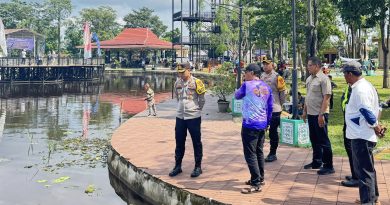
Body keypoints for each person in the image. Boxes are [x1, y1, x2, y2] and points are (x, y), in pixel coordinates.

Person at [343, 61, 386, 204]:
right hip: (361, 133)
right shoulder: (364, 85)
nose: (344, 77)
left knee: (364, 171)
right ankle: (373, 198)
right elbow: (376, 106)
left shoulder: (360, 89)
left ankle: (368, 202)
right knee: (368, 169)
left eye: (344, 74)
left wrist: (376, 127)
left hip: (361, 135)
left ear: (350, 74)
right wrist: (376, 126)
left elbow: (367, 112)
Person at [235, 63, 273, 194]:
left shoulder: (246, 85)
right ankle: (260, 178)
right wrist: (267, 122)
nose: (245, 75)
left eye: (246, 72)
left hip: (250, 124)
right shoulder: (267, 87)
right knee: (259, 152)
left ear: (251, 73)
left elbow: (237, 96)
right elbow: (270, 107)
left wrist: (241, 83)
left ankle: (256, 183)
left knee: (250, 154)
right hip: (262, 123)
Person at [169, 63, 206, 178]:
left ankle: (198, 167)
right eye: (179, 72)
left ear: (189, 70)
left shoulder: (197, 82)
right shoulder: (177, 82)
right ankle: (177, 166)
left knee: (196, 142)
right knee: (179, 142)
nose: (181, 74)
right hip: (180, 117)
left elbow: (202, 100)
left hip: (193, 116)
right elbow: (177, 97)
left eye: (183, 72)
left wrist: (196, 109)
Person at [302, 56, 335, 175]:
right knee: (314, 138)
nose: (308, 67)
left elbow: (326, 98)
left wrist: (321, 115)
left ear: (316, 66)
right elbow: (308, 96)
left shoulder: (323, 79)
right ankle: (317, 161)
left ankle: (328, 165)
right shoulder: (309, 79)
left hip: (320, 114)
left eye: (310, 65)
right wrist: (305, 111)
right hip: (311, 113)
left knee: (323, 140)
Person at [260, 54, 286, 162]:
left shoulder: (277, 77)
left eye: (267, 64)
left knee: (273, 132)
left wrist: (280, 105)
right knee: (261, 130)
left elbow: (282, 93)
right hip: (262, 108)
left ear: (272, 64)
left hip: (274, 108)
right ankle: (259, 151)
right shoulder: (261, 76)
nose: (265, 66)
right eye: (264, 64)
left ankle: (273, 153)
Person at [339, 83, 359, 187]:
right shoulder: (350, 86)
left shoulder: (357, 89)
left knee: (352, 150)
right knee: (350, 150)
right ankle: (355, 174)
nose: (344, 76)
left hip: (353, 124)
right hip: (348, 123)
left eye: (345, 73)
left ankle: (357, 177)